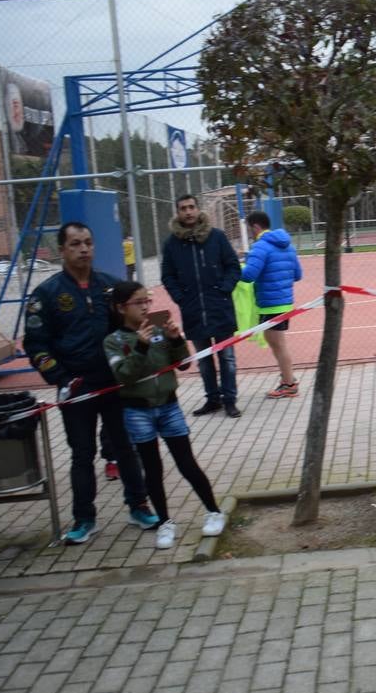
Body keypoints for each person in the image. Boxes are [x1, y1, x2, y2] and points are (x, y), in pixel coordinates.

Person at [24, 222, 160, 545]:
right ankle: (84, 519)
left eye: (88, 242)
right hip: (77, 389)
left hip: (116, 385)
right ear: (62, 250)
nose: (83, 249)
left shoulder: (112, 288)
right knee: (82, 455)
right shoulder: (46, 294)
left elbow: (134, 324)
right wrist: (62, 379)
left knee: (126, 449)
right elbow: (36, 345)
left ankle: (138, 506)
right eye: (75, 244)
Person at [104, 281, 227, 547]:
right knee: (152, 468)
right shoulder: (113, 341)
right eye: (139, 303)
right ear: (120, 308)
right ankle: (164, 522)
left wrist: (176, 339)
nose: (146, 307)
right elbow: (125, 375)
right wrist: (140, 346)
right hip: (136, 410)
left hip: (169, 406)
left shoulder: (158, 329)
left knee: (186, 462)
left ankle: (214, 511)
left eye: (147, 301)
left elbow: (182, 364)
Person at [160, 194, 243, 418]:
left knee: (227, 358)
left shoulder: (217, 237)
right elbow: (167, 276)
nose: (188, 212)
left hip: (220, 309)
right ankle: (212, 399)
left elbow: (233, 267)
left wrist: (224, 289)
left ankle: (230, 400)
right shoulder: (172, 244)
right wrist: (181, 298)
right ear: (177, 212)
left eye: (191, 207)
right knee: (204, 361)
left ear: (198, 209)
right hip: (193, 311)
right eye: (183, 208)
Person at [240, 211, 302, 399]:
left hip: (270, 305)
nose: (250, 233)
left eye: (249, 228)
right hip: (285, 302)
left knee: (278, 345)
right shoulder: (287, 245)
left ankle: (289, 384)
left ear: (255, 227)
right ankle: (288, 376)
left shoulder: (260, 246)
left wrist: (234, 267)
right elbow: (298, 274)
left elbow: (249, 275)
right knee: (277, 343)